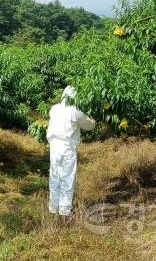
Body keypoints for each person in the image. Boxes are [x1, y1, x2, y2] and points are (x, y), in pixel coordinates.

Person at [46, 85, 95, 217]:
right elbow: (89, 125)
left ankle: (53, 208)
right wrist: (93, 118)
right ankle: (65, 212)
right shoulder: (75, 110)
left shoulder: (54, 109)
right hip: (67, 148)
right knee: (67, 178)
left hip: (54, 147)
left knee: (54, 176)